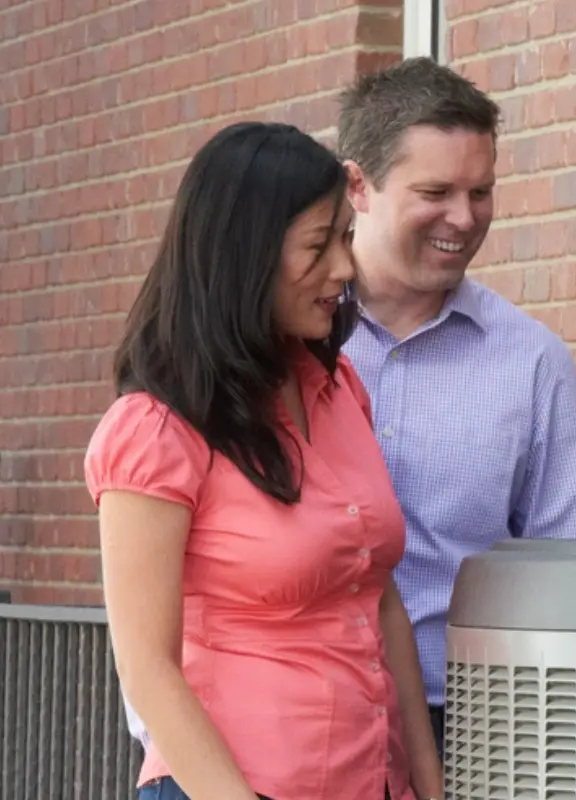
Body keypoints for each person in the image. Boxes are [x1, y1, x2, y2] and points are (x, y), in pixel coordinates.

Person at [86, 122, 443, 799]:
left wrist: (427, 783)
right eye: (317, 246)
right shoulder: (155, 431)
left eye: (345, 239)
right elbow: (147, 670)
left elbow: (379, 596)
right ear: (244, 257)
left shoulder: (341, 391)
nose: (344, 269)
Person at [333, 57, 576, 752]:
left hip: (472, 729)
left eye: (480, 192)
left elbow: (572, 581)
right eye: (436, 192)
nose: (464, 218)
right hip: (304, 724)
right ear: (357, 186)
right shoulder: (280, 341)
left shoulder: (533, 363)